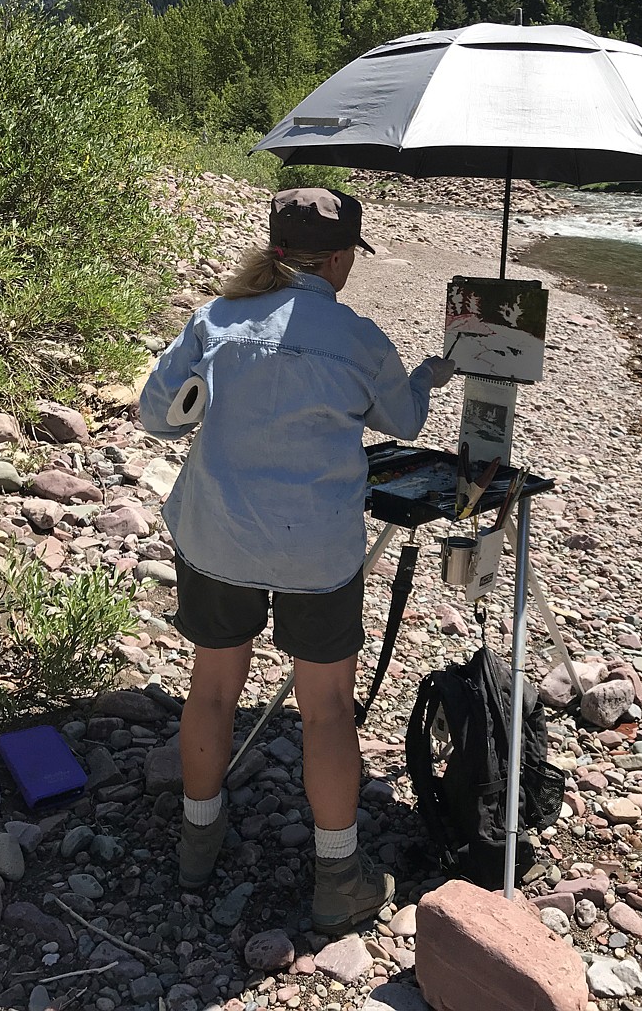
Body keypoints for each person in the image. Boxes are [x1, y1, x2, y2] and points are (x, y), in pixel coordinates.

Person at [138, 187, 455, 935]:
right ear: (340, 259)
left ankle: (197, 844)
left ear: (277, 250)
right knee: (327, 710)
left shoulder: (216, 319)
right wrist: (427, 378)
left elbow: (157, 415)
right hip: (318, 550)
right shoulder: (359, 337)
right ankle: (338, 876)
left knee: (212, 690)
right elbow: (403, 421)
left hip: (217, 537)